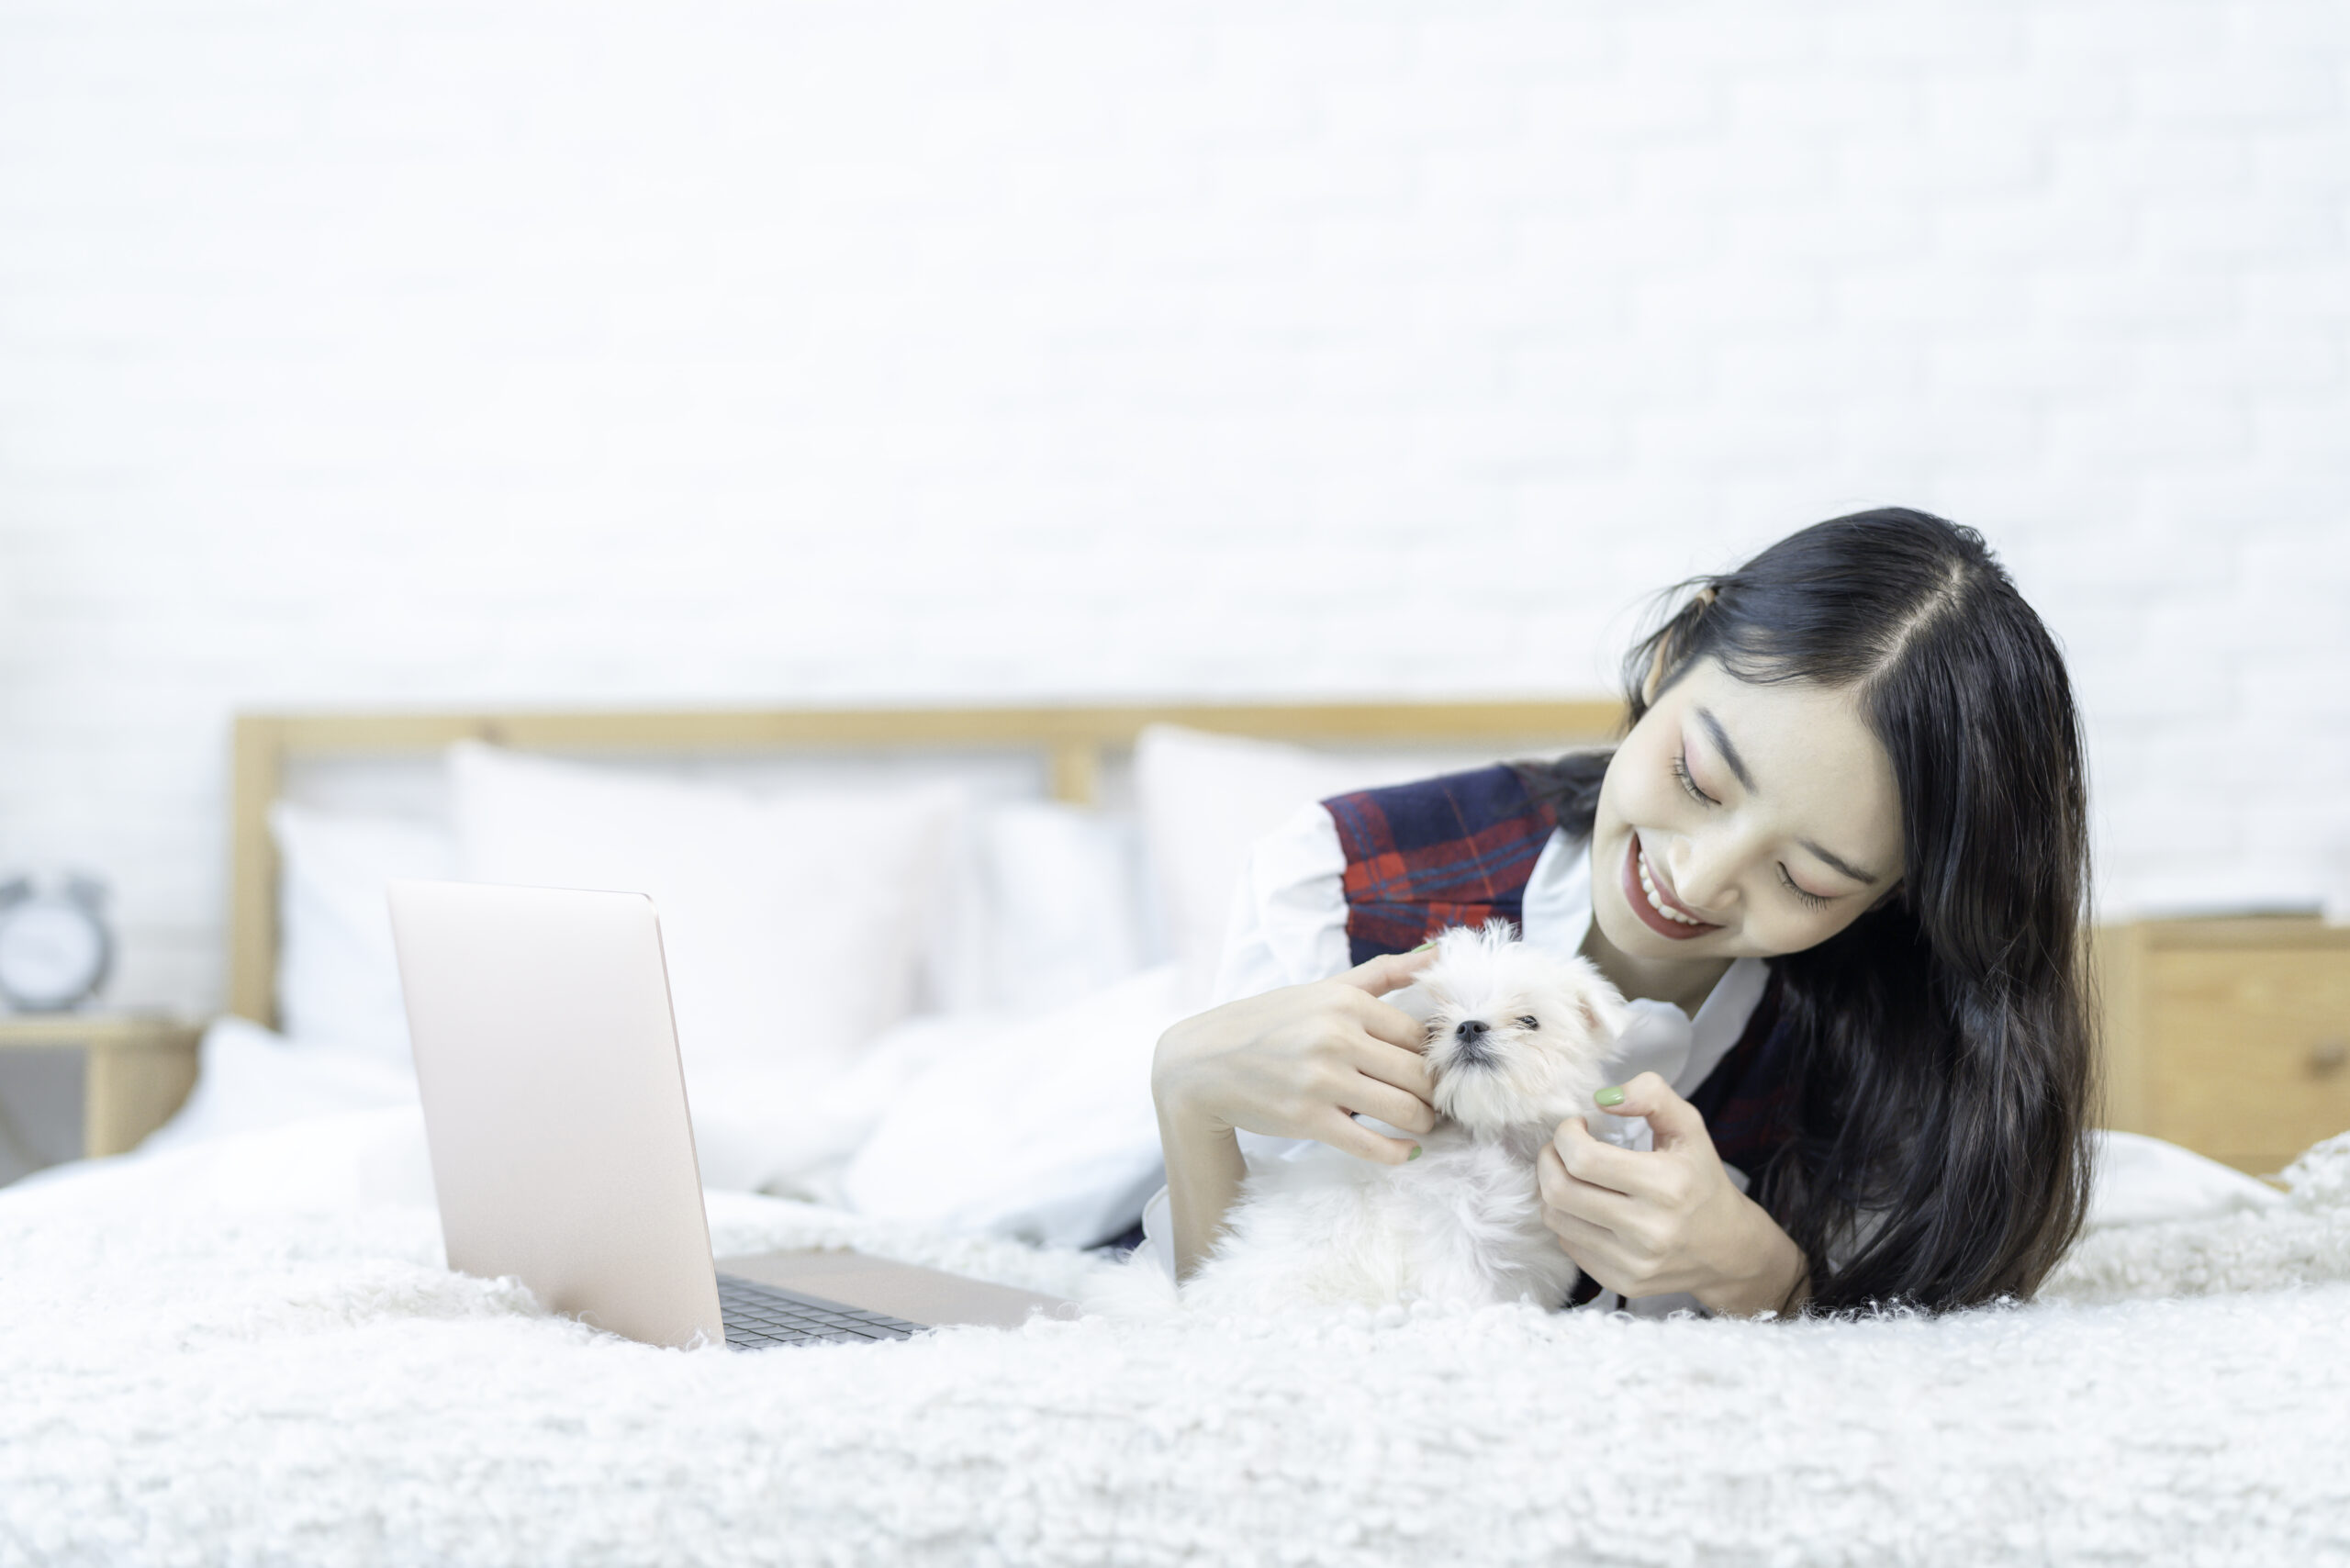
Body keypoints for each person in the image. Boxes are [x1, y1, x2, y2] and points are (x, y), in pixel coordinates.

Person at [1145, 508, 2096, 1316]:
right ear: (1676, 650)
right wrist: (1188, 1092)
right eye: (1697, 776)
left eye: (1806, 878)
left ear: (1895, 896)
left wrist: (1764, 1274)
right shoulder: (1342, 877)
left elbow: (1936, 1315)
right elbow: (1230, 1303)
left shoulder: (1891, 1037)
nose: (1696, 876)